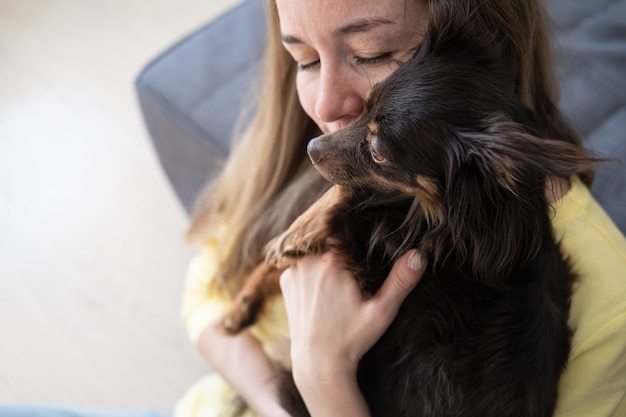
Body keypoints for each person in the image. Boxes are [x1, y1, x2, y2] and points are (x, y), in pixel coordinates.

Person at [174, 0, 626, 416]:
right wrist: (275, 396)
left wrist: (324, 381)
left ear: (483, 39)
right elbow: (208, 291)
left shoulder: (610, 312)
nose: (326, 109)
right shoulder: (329, 141)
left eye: (372, 53)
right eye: (305, 60)